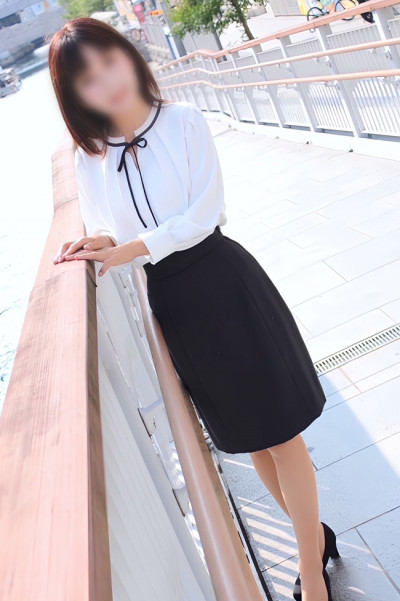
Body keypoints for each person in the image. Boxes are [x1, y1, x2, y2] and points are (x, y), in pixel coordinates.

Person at [49, 18, 339, 601]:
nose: (107, 81)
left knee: (283, 434)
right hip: (175, 305)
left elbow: (205, 213)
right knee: (251, 438)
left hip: (224, 282)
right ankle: (316, 538)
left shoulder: (183, 122)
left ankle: (311, 574)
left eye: (109, 62)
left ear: (129, 56)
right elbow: (112, 230)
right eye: (87, 79)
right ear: (76, 97)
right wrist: (100, 243)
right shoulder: (91, 160)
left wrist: (133, 247)